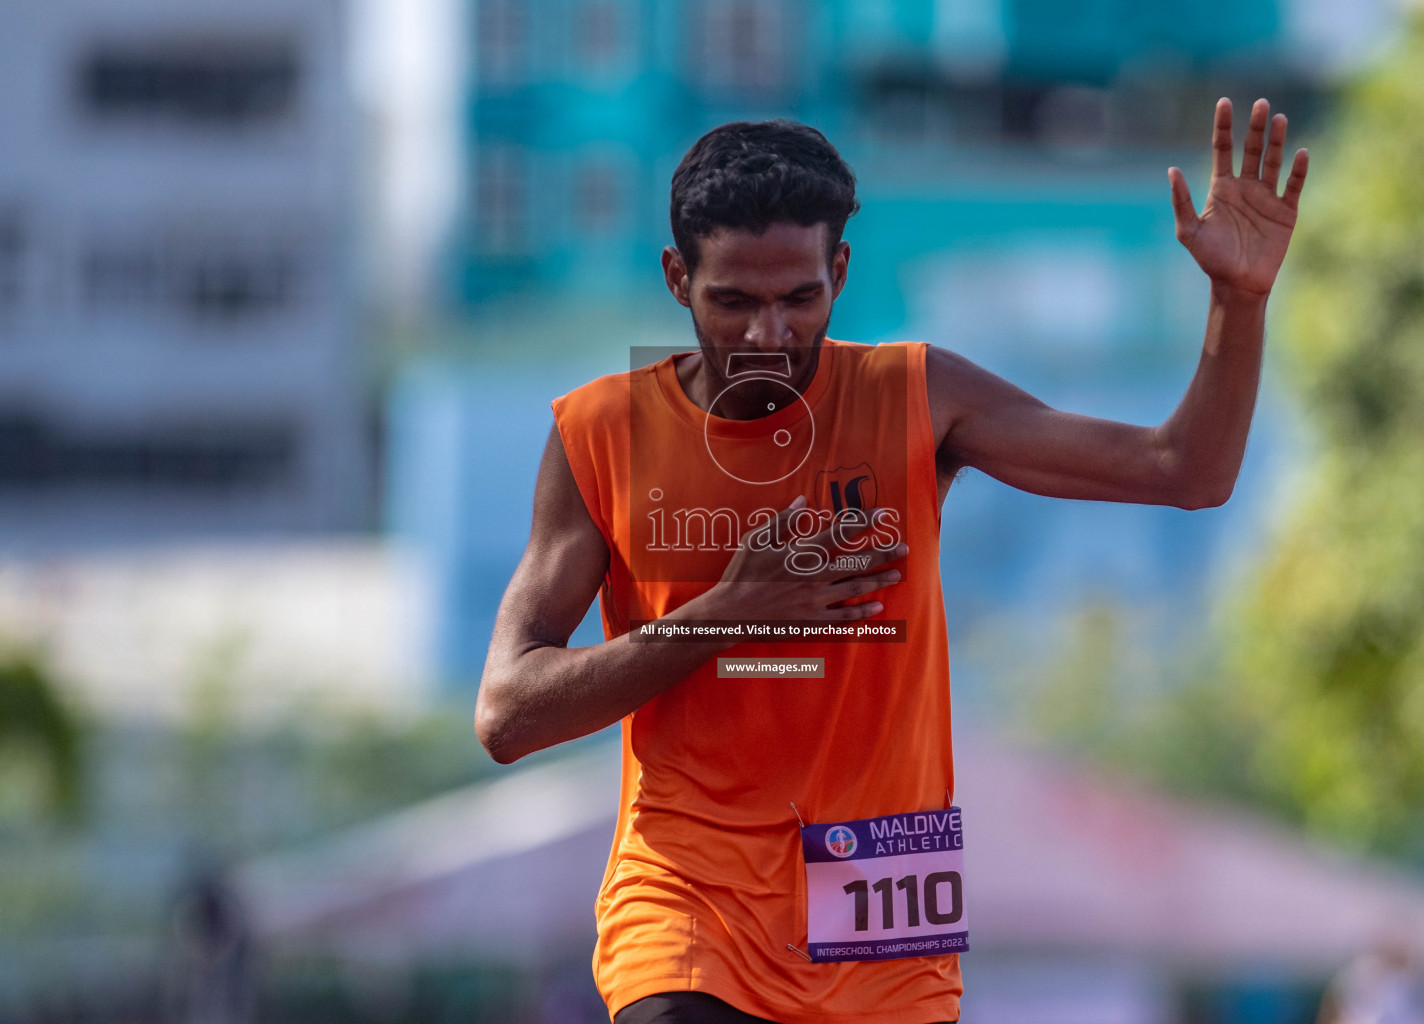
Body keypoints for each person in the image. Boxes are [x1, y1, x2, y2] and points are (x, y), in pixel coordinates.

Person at [475, 104, 1308, 1024]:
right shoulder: (601, 432)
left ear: (839, 272)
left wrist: (1240, 301)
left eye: (799, 298)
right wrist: (731, 612)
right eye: (734, 302)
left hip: (877, 904)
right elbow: (507, 715)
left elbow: (1185, 471)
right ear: (678, 279)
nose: (768, 336)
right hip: (687, 910)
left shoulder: (918, 397)